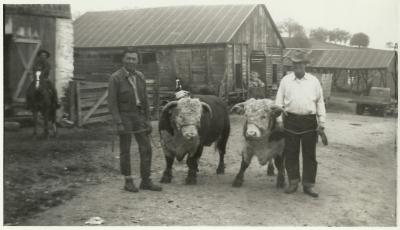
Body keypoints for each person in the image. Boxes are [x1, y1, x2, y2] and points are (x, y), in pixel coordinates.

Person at [108, 48, 162, 192]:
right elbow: (112, 103)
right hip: (124, 116)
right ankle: (128, 181)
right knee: (125, 150)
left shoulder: (140, 76)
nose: (131, 61)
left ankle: (146, 180)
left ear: (137, 61)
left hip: (139, 116)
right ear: (123, 60)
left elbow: (144, 100)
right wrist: (118, 122)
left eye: (134, 59)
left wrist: (148, 119)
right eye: (128, 58)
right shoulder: (116, 78)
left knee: (146, 148)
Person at [275, 49, 326, 198]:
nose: (297, 66)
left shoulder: (314, 81)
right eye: (294, 64)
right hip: (290, 120)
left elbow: (320, 102)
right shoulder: (285, 80)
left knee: (309, 154)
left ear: (305, 65)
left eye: (300, 64)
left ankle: (308, 185)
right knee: (291, 153)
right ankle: (293, 182)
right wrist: (279, 120)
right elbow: (279, 102)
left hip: (309, 121)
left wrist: (321, 122)